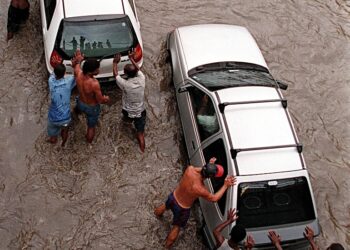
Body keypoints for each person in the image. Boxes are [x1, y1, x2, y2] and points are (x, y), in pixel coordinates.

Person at [154, 157, 236, 248]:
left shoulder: (190, 169)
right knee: (176, 227)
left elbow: (200, 173)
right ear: (210, 177)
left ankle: (155, 216)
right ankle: (166, 247)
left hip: (173, 196)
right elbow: (214, 198)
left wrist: (208, 166)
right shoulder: (201, 189)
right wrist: (225, 185)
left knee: (165, 206)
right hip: (182, 209)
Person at [72, 49, 109, 143]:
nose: (99, 70)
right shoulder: (94, 84)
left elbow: (76, 65)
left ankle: (74, 116)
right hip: (92, 108)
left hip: (80, 102)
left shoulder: (78, 72)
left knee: (77, 110)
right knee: (91, 127)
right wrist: (106, 99)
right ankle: (89, 145)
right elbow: (100, 100)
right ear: (91, 72)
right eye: (97, 69)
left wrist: (79, 60)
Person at [113, 51, 146, 152]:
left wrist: (115, 62)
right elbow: (138, 69)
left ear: (126, 74)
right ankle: (143, 151)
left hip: (127, 111)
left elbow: (116, 75)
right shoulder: (142, 79)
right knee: (140, 134)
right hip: (140, 111)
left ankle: (126, 126)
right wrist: (132, 58)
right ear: (136, 73)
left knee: (125, 123)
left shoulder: (125, 84)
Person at [47, 63, 76, 147]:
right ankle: (63, 145)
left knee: (52, 135)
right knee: (65, 131)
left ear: (55, 73)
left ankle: (53, 140)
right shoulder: (69, 82)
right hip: (65, 118)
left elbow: (53, 73)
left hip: (53, 118)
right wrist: (75, 65)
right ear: (64, 73)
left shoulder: (51, 81)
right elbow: (77, 75)